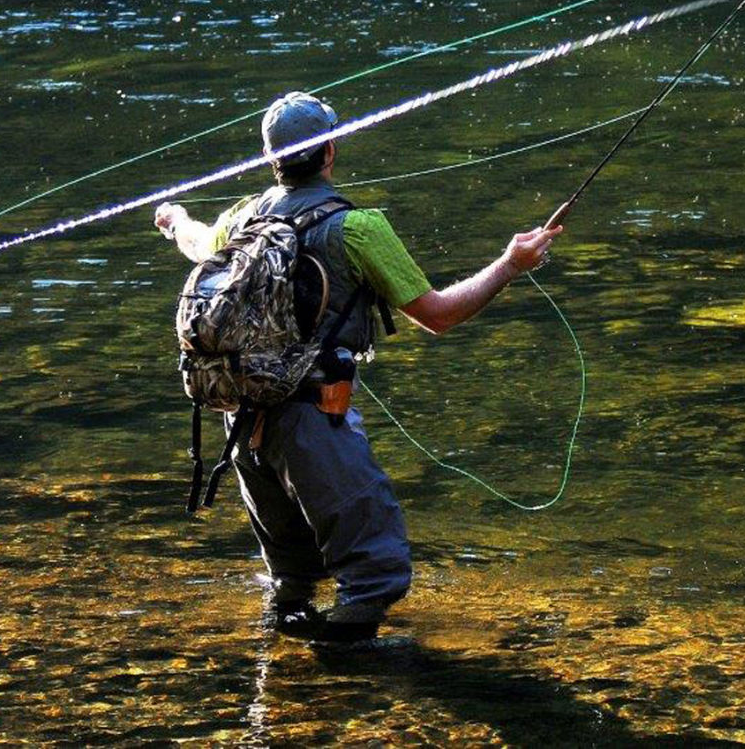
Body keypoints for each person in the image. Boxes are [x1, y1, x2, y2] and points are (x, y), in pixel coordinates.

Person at [153, 91, 561, 644]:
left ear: (270, 157)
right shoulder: (357, 228)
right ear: (330, 152)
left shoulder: (241, 217)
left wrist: (175, 219)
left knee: (291, 576)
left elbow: (199, 244)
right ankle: (350, 671)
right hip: (315, 419)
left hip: (244, 418)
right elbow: (438, 316)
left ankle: (288, 676)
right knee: (376, 573)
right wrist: (510, 265)